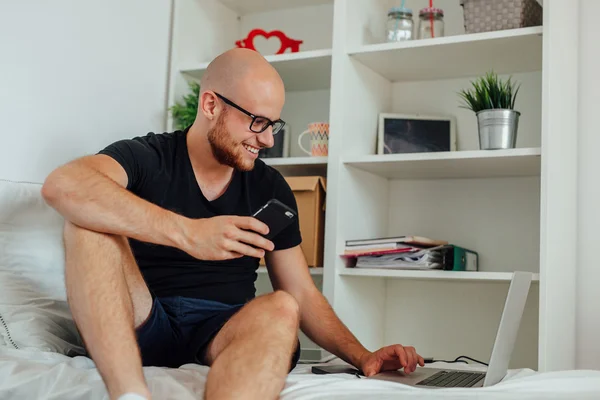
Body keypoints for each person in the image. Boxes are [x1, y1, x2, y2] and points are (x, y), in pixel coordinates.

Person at [41, 48, 424, 400]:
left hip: (224, 328)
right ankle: (131, 395)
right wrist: (189, 233)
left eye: (274, 124)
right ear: (210, 104)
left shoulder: (270, 186)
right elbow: (64, 186)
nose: (269, 140)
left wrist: (363, 355)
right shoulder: (148, 155)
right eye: (257, 122)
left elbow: (303, 294)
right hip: (142, 319)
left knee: (284, 306)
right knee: (87, 221)